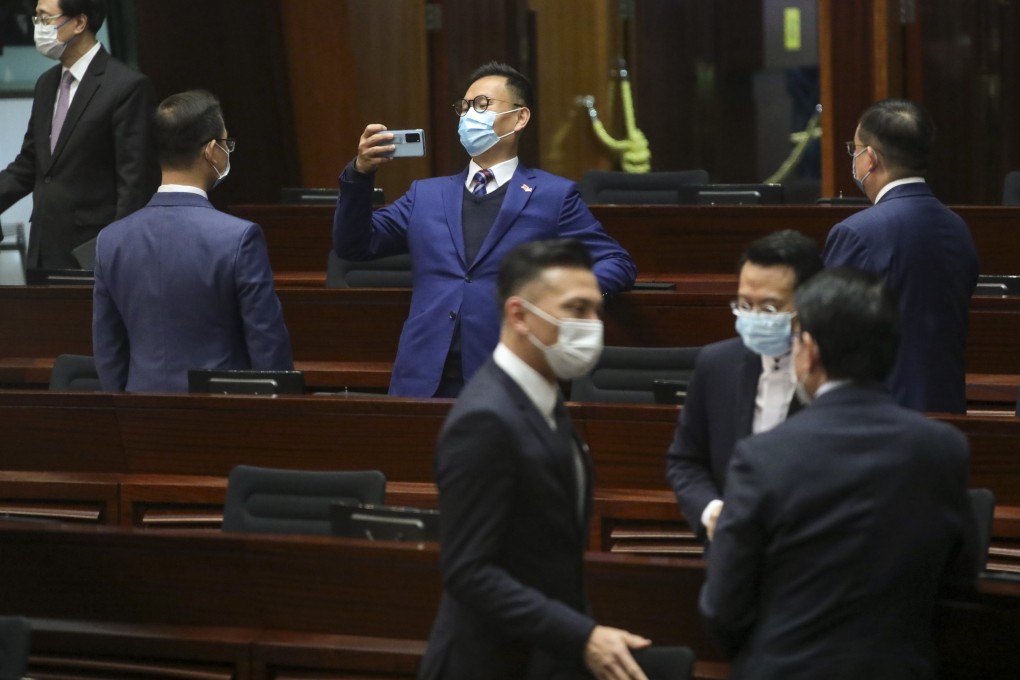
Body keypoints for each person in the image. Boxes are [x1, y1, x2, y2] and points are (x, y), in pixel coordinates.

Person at [700, 267, 979, 679]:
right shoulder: (943, 449)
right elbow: (959, 584)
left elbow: (724, 608)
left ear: (808, 351)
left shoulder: (763, 457)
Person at [419, 238, 650, 680]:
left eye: (594, 310)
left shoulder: (542, 394)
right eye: (577, 310)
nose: (592, 324)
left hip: (540, 658)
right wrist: (582, 635)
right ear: (519, 315)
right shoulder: (485, 419)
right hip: (485, 664)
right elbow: (469, 573)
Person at [333, 61, 636, 398]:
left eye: (482, 105)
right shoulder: (426, 195)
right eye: (464, 107)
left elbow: (617, 262)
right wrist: (360, 174)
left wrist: (564, 300)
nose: (468, 115)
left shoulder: (553, 196)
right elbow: (353, 246)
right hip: (422, 377)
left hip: (508, 376)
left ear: (520, 117)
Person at [92, 89, 292, 392]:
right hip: (220, 417)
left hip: (138, 416)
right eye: (227, 143)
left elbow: (108, 350)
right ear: (211, 151)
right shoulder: (239, 238)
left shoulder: (110, 240)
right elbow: (268, 349)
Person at [823, 98, 978, 414]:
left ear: (870, 158)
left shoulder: (856, 233)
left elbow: (829, 333)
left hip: (881, 420)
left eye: (854, 150)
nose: (853, 159)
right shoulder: (958, 228)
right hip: (948, 413)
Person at [666, 230, 823, 541]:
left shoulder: (834, 371)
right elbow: (685, 460)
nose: (754, 318)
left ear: (810, 303)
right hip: (731, 553)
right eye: (744, 304)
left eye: (768, 308)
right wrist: (711, 512)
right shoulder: (717, 364)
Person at [0, 0, 159, 270]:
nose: (37, 28)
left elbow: (135, 185)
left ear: (79, 23)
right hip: (43, 249)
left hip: (94, 254)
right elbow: (30, 165)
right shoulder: (47, 84)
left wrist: (117, 258)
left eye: (44, 18)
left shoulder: (126, 87)